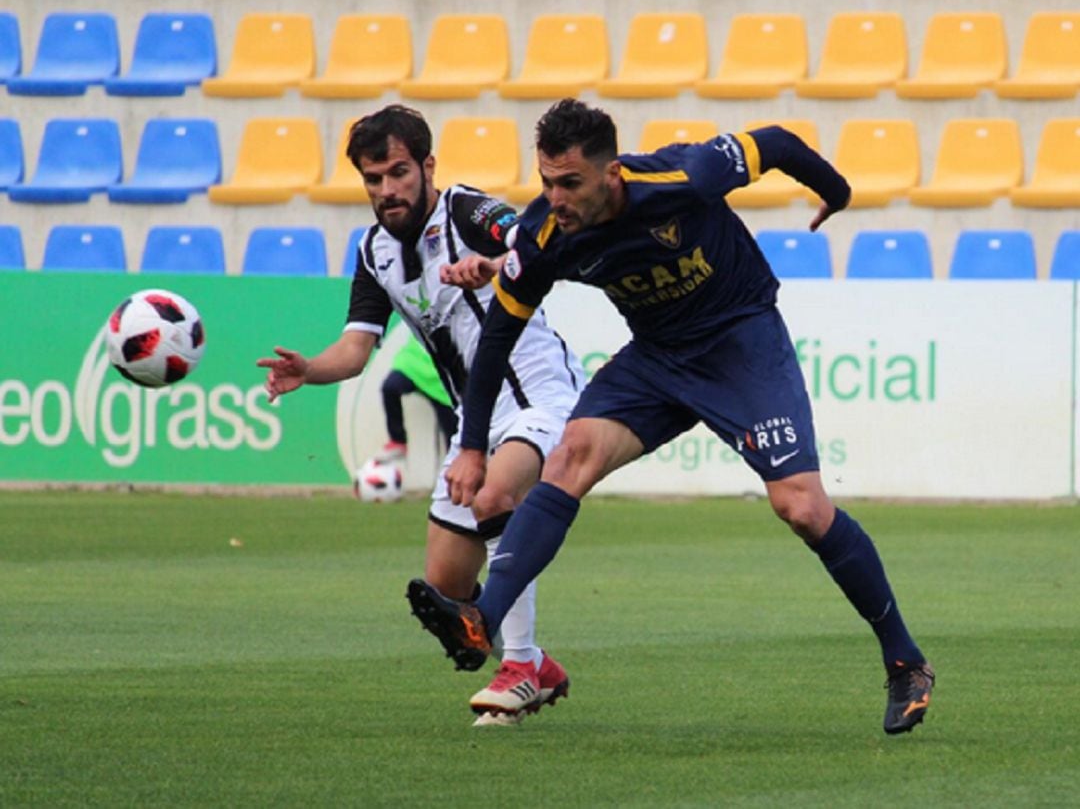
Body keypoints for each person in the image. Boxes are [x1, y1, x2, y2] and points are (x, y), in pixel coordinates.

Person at [406, 98, 935, 736]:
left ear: (612, 175)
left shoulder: (685, 177)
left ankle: (905, 659)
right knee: (569, 455)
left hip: (741, 343)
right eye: (547, 182)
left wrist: (836, 192)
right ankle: (482, 621)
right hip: (657, 360)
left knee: (801, 507)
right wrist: (469, 446)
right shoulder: (545, 234)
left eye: (570, 183)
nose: (556, 197)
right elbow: (496, 340)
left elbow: (774, 141)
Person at [256, 104, 585, 727]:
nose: (388, 190)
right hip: (475, 418)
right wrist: (310, 370)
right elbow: (356, 348)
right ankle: (536, 662)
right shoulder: (374, 250)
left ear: (427, 166)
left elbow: (537, 244)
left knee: (492, 496)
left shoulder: (468, 212)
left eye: (399, 173)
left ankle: (517, 668)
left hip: (540, 392)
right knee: (449, 586)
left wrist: (492, 267)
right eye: (373, 179)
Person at [375, 332, 458, 465]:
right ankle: (398, 441)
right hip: (414, 364)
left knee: (454, 439)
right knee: (390, 387)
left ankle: (454, 479)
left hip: (444, 381)